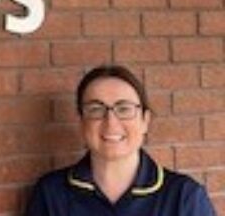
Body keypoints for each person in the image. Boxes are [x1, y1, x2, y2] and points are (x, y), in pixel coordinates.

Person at [26, 64, 217, 215]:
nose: (111, 122)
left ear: (145, 121)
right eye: (96, 109)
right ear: (82, 123)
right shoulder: (51, 193)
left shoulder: (184, 196)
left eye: (124, 109)